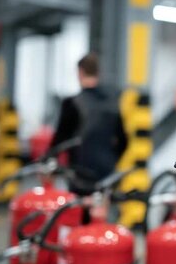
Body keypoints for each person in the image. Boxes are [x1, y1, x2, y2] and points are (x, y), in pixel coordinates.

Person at [51, 53, 128, 195]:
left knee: (79, 213)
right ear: (98, 73)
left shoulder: (72, 103)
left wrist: (48, 161)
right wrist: (110, 160)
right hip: (106, 175)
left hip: (79, 175)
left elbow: (59, 140)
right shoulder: (112, 104)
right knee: (101, 214)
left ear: (80, 72)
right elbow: (124, 141)